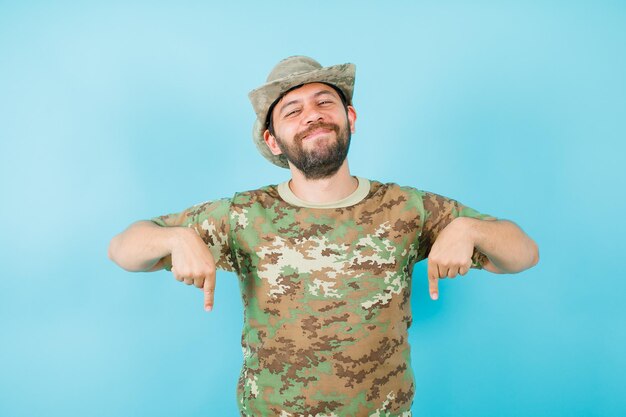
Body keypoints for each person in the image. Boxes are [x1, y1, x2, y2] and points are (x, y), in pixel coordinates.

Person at [108, 56, 539, 417]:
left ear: (349, 118)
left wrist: (468, 228)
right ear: (273, 141)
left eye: (324, 102)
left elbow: (523, 255)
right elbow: (123, 249)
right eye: (292, 110)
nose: (312, 114)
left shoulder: (409, 207)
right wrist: (176, 239)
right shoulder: (243, 214)